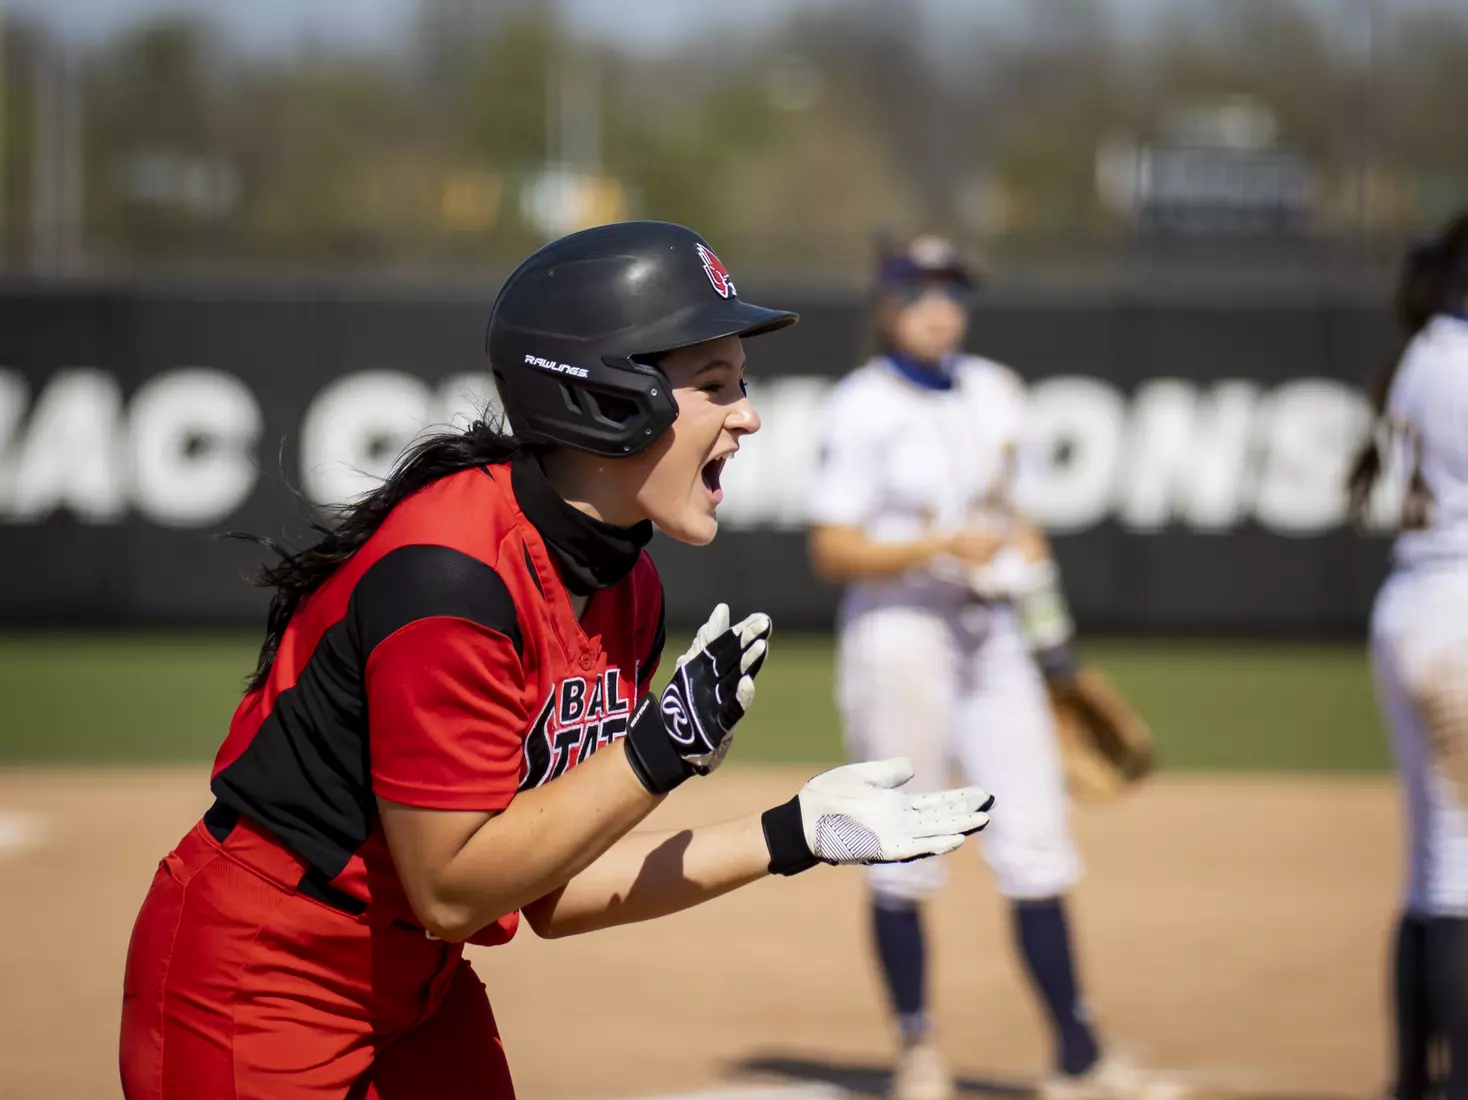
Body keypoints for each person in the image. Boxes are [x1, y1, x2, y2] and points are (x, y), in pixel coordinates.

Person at [117, 221, 995, 1100]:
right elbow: (453, 891)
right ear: (609, 397)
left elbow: (549, 892)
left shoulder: (626, 585)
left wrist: (790, 833)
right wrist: (657, 753)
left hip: (414, 984)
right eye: (716, 385)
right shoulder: (448, 576)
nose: (748, 415)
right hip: (264, 976)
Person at [806, 235, 1171, 1100]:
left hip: (998, 636)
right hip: (902, 634)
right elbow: (831, 550)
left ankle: (1080, 1055)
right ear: (887, 304)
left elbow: (1023, 530)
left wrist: (1058, 658)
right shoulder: (861, 405)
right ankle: (917, 1050)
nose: (941, 307)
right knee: (900, 847)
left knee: (1038, 842)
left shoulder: (997, 391)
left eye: (952, 292)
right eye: (921, 291)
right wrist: (937, 543)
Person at [1349, 209, 1468, 1100]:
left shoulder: (1426, 350)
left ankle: (1409, 1082)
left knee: (1437, 864)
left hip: (1414, 607)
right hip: (1460, 613)